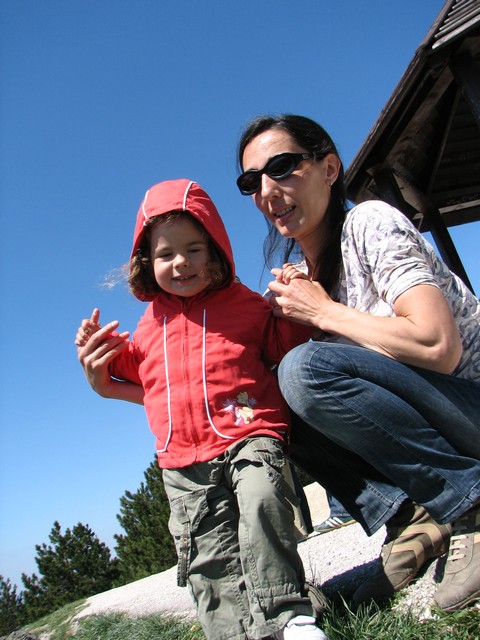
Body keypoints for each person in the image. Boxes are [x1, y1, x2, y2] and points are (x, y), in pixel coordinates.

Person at [235, 114, 480, 612]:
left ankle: (470, 503)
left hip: (469, 404)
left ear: (329, 169)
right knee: (275, 395)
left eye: (281, 167)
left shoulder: (369, 222)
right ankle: (411, 518)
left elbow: (438, 345)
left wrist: (324, 313)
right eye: (251, 181)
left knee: (304, 370)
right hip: (444, 425)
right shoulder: (305, 280)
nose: (266, 190)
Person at [75, 178, 329, 640]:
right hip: (182, 461)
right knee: (207, 552)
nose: (181, 262)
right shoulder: (149, 324)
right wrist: (101, 351)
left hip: (250, 433)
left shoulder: (246, 305)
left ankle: (289, 615)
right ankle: (236, 633)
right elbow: (139, 370)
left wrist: (294, 302)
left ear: (215, 251)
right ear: (146, 263)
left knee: (262, 502)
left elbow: (281, 344)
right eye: (166, 254)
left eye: (194, 249)